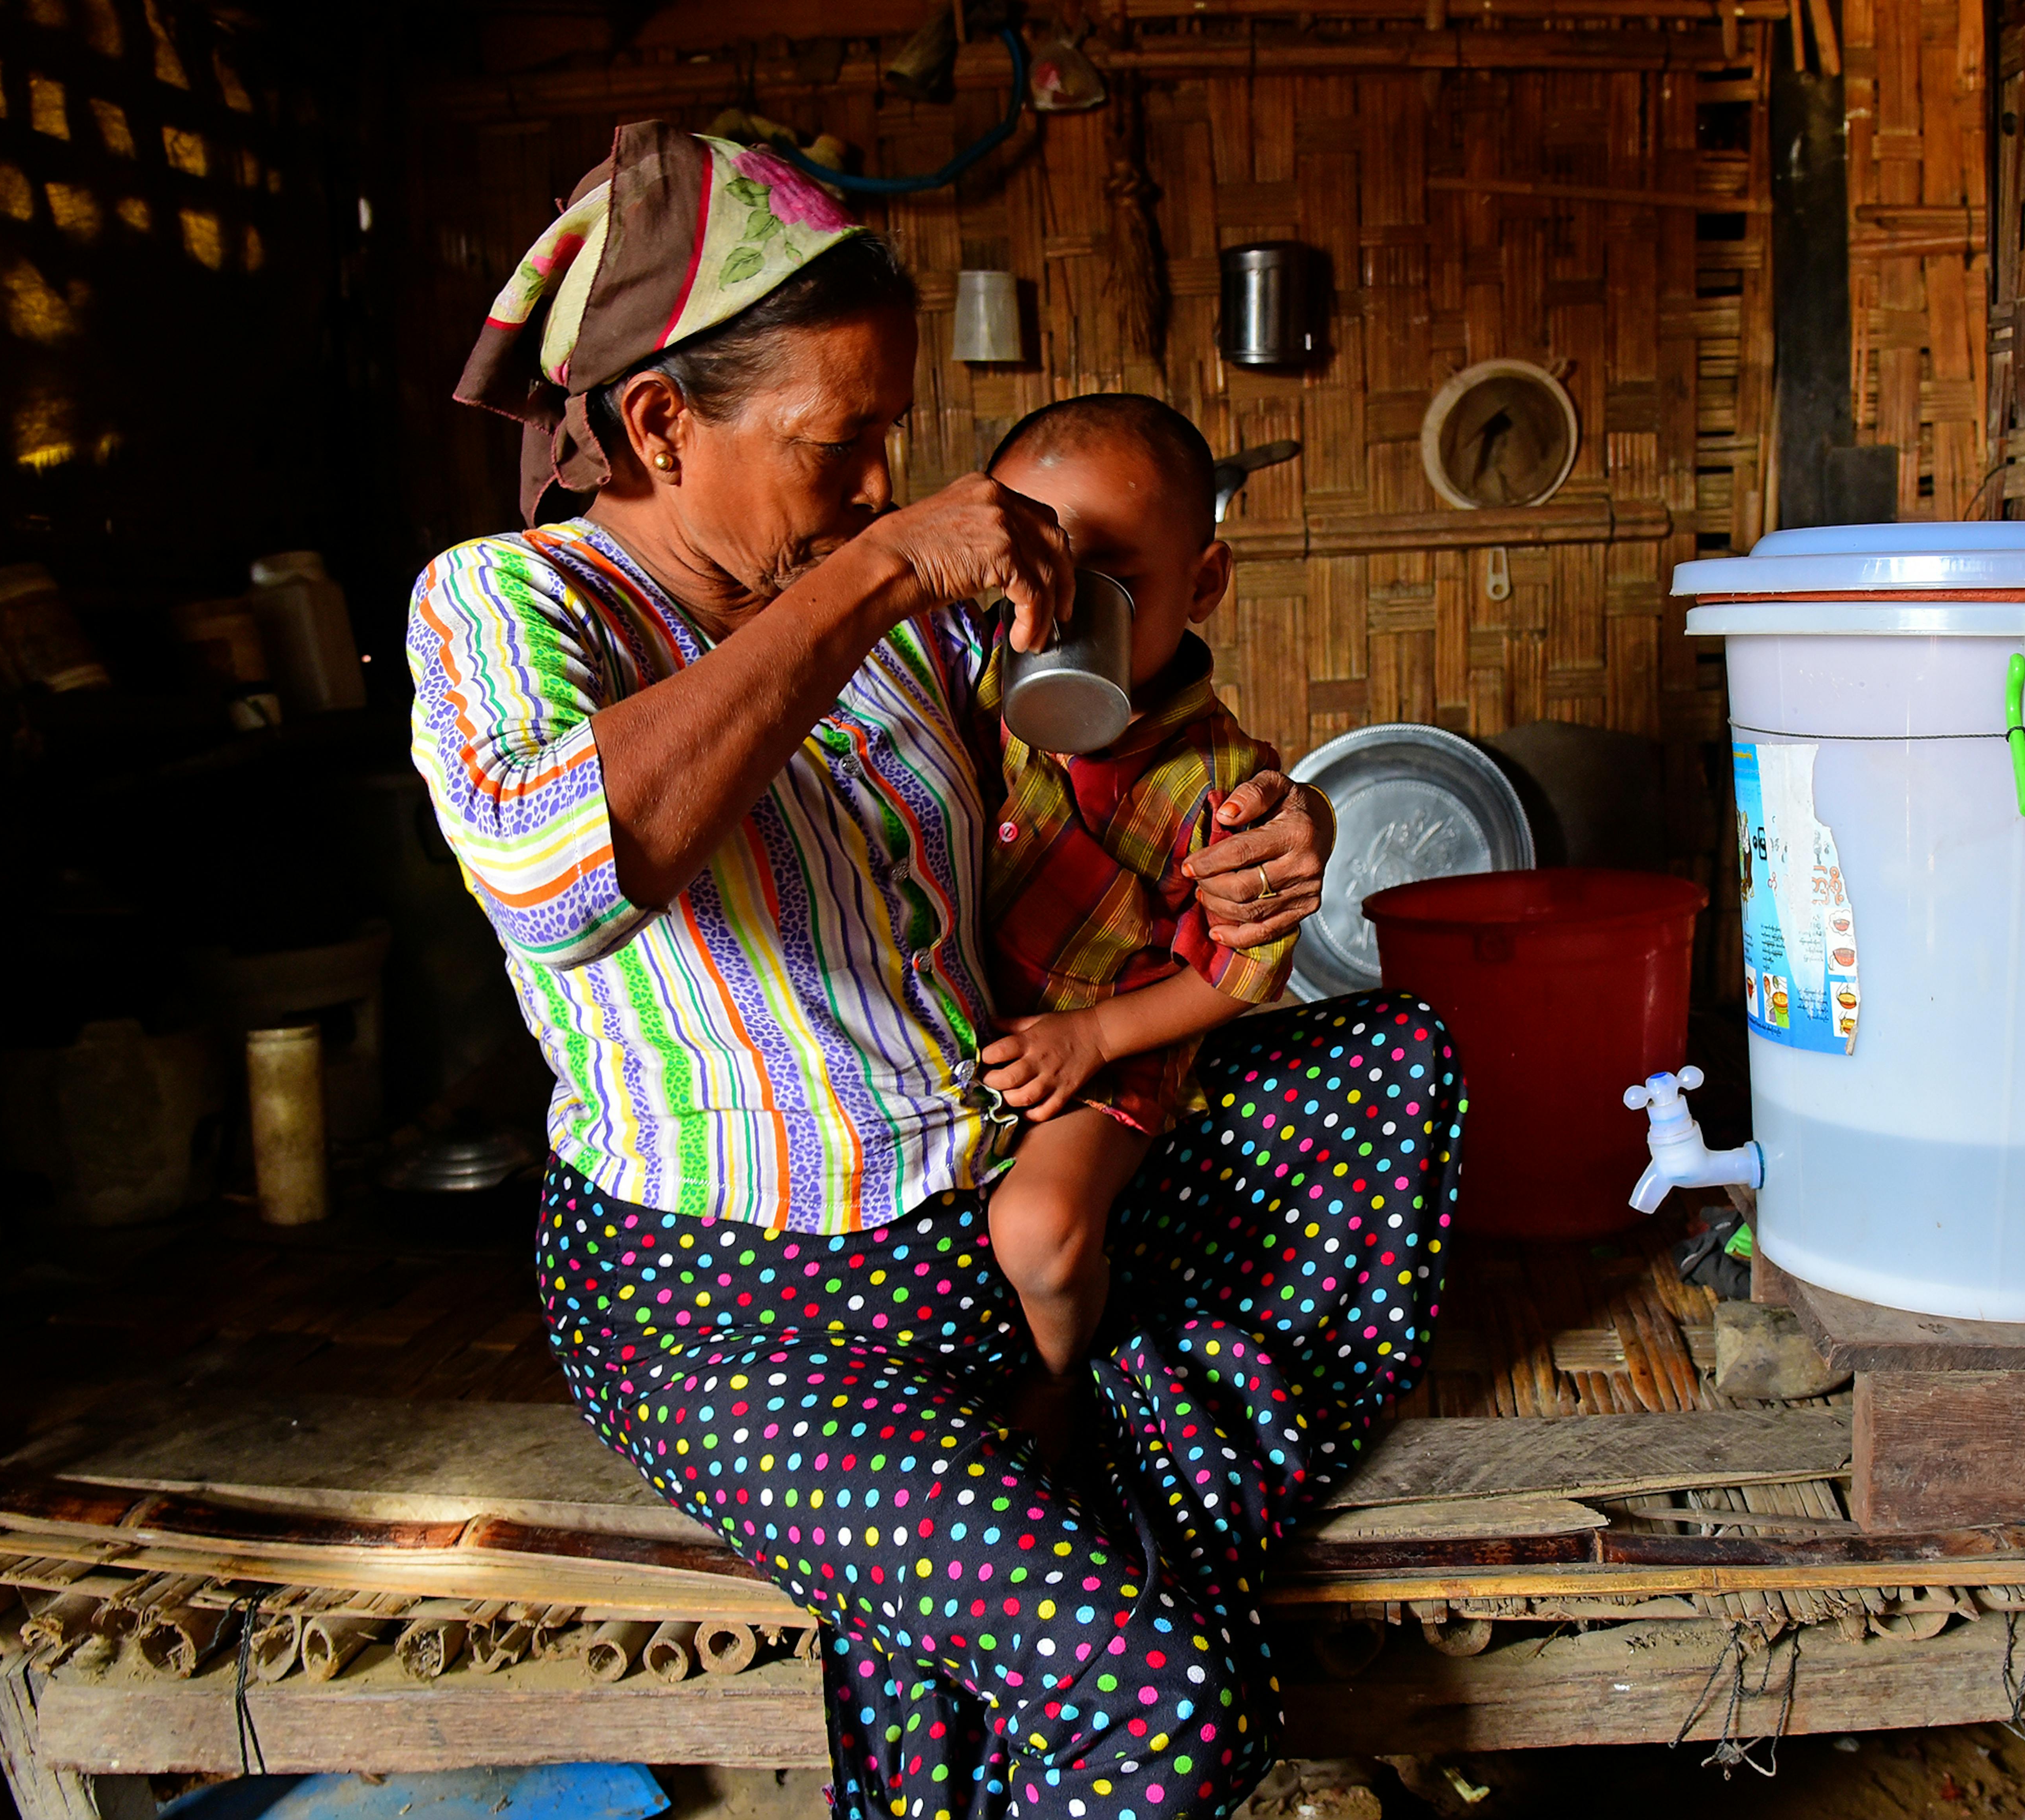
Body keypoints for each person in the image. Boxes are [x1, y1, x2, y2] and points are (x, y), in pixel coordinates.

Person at [408, 123, 1462, 1820]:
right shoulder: (507, 608)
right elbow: (556, 880)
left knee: (1385, 1055)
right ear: (664, 424)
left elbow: (1119, 734)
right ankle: (1079, 1491)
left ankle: (1096, 1470)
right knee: (1168, 1709)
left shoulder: (888, 610)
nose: (876, 483)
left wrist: (1268, 822)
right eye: (840, 443)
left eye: (889, 444)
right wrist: (880, 566)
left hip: (978, 1178)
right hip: (742, 1311)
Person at [971, 396, 1292, 1453]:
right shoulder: (958, 686)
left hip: (1108, 1035)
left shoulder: (1217, 785)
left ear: (1203, 583)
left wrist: (1094, 1040)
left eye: (1113, 586)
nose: (1061, 618)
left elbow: (1242, 978)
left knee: (1040, 1235)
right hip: (966, 1014)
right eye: (1039, 578)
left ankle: (1066, 1375)